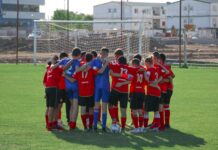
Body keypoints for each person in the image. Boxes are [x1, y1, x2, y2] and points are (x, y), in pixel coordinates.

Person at [64, 53, 109, 131]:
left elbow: (73, 79)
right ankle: (91, 126)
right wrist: (104, 64)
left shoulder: (79, 69)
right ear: (92, 59)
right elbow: (100, 72)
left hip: (81, 92)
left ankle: (85, 127)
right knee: (91, 109)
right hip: (90, 92)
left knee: (83, 109)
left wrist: (65, 75)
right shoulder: (92, 68)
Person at [43, 55, 63, 131]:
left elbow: (44, 82)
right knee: (52, 107)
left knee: (51, 107)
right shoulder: (57, 68)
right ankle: (50, 125)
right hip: (54, 89)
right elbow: (65, 68)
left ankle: (51, 124)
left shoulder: (48, 68)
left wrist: (46, 90)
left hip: (48, 89)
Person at [159, 53, 175, 129]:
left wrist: (165, 79)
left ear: (161, 59)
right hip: (167, 89)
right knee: (165, 106)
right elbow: (172, 76)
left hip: (167, 89)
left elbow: (172, 76)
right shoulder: (165, 66)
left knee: (163, 106)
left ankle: (164, 123)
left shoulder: (165, 67)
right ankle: (166, 123)